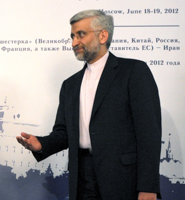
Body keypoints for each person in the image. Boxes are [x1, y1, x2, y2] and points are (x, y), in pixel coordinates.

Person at [16, 10, 161, 200]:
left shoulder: (134, 72)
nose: (74, 42)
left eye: (81, 34)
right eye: (72, 36)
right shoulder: (70, 85)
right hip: (82, 179)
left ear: (103, 35)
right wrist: (41, 144)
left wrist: (148, 187)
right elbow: (64, 133)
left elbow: (148, 134)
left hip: (124, 180)